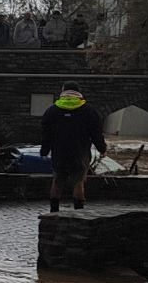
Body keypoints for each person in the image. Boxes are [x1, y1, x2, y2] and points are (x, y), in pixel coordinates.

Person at [40, 81, 107, 212]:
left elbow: (45, 134)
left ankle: (54, 210)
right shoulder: (89, 111)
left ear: (63, 92)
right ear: (79, 93)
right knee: (78, 181)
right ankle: (79, 211)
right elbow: (96, 134)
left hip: (59, 153)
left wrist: (44, 151)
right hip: (79, 152)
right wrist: (102, 148)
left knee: (57, 180)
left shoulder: (52, 111)